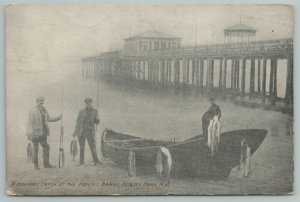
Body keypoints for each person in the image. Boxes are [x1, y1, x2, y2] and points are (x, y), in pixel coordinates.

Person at [26, 96, 62, 170]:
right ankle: (36, 166)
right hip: (35, 134)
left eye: (42, 101)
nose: (41, 102)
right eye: (39, 101)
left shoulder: (44, 110)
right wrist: (30, 134)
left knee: (46, 147)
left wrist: (58, 118)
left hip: (43, 133)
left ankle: (46, 164)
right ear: (36, 101)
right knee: (35, 150)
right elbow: (30, 123)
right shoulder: (33, 110)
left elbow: (49, 118)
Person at [73, 98, 101, 166]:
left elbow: (97, 122)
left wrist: (97, 119)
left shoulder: (95, 111)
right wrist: (75, 132)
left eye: (90, 103)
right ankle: (81, 162)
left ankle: (96, 161)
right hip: (82, 132)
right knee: (81, 147)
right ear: (85, 104)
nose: (88, 104)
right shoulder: (81, 111)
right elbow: (78, 122)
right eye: (87, 103)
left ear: (91, 103)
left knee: (92, 147)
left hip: (90, 132)